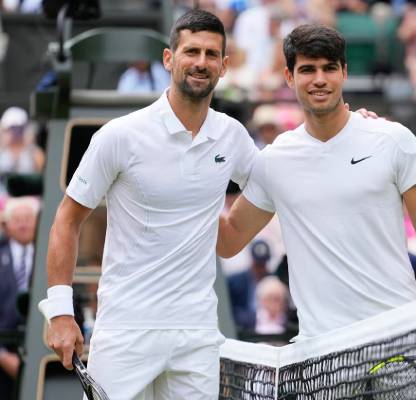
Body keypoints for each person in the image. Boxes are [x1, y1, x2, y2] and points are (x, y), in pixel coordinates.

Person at [39, 10, 259, 399]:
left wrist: (349, 123)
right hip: (125, 330)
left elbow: (280, 179)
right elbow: (67, 220)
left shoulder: (233, 137)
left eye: (211, 54)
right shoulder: (120, 136)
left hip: (198, 332)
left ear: (224, 66)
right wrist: (60, 311)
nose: (201, 62)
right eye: (191, 51)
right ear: (169, 59)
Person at [218, 24, 416, 373]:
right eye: (308, 69)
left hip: (399, 340)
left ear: (344, 72)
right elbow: (228, 240)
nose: (320, 79)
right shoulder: (274, 160)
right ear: (288, 76)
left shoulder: (393, 140)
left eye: (329, 68)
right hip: (322, 356)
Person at [0, 196, 39, 400]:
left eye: (28, 218)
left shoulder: (48, 256)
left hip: (41, 360)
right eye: (17, 219)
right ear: (6, 225)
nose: (23, 224)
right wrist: (3, 356)